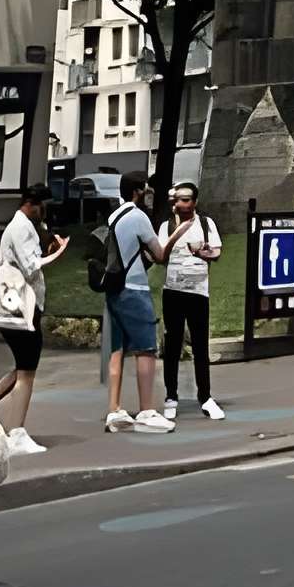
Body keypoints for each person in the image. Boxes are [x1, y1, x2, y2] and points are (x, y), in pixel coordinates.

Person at [0, 185, 68, 457]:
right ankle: (16, 431)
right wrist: (59, 252)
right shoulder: (21, 228)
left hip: (20, 307)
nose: (45, 212)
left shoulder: (20, 226)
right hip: (22, 308)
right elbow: (32, 266)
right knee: (27, 370)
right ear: (34, 204)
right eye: (44, 206)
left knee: (23, 366)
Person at [101, 171, 170, 433]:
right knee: (146, 348)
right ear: (137, 192)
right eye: (146, 190)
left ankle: (114, 409)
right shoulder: (139, 217)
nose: (149, 195)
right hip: (135, 288)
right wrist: (174, 236)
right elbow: (160, 253)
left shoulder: (114, 217)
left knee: (117, 349)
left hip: (114, 288)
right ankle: (147, 410)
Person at [159, 184, 224, 424]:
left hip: (198, 292)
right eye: (178, 199)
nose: (181, 204)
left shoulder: (206, 224)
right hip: (173, 291)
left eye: (186, 199)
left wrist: (203, 253)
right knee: (173, 345)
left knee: (200, 345)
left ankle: (205, 396)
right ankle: (171, 397)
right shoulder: (167, 226)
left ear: (195, 202)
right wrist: (176, 236)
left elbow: (217, 253)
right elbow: (160, 256)